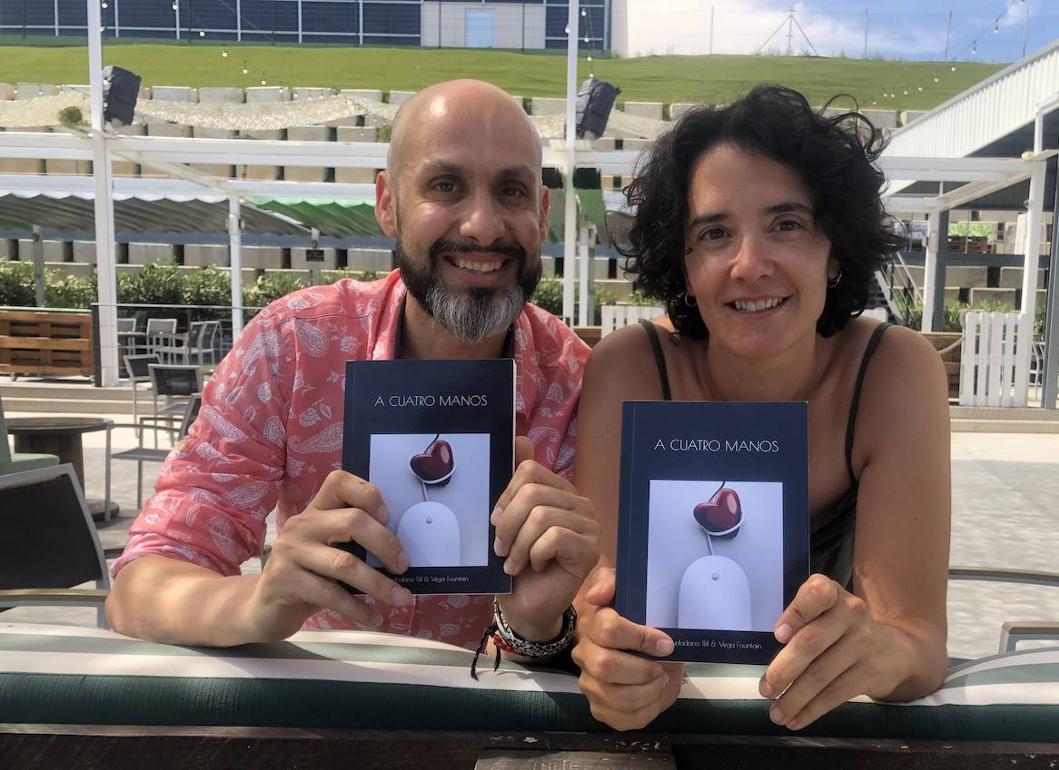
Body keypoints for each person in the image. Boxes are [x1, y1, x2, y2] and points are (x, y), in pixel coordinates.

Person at [106, 80, 600, 659]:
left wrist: (538, 630)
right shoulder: (294, 346)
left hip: (498, 722)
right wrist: (255, 601)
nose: (483, 226)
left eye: (511, 191)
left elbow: (605, 636)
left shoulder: (579, 387)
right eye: (446, 186)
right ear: (387, 204)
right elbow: (142, 583)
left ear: (542, 214)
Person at [571, 84, 950, 730]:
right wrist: (607, 654)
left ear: (834, 250)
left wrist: (879, 652)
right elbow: (595, 604)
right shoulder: (630, 371)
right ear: (684, 265)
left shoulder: (891, 372)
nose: (749, 265)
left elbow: (918, 642)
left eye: (786, 224)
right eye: (715, 234)